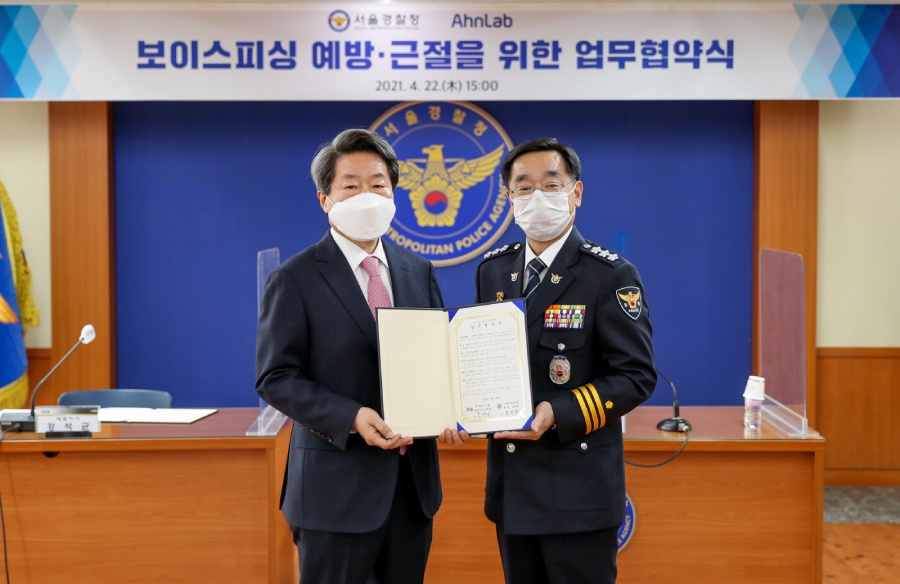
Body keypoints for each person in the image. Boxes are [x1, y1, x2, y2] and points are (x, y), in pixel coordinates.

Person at [256, 128, 467, 584]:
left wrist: (455, 409)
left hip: (411, 490)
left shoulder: (417, 269)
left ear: (394, 194)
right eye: (350, 185)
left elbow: (435, 357)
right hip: (334, 492)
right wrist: (351, 417)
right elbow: (276, 377)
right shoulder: (294, 278)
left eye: (377, 184)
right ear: (325, 199)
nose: (366, 196)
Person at [475, 137, 657, 584]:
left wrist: (558, 411)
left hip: (579, 491)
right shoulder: (493, 270)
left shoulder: (610, 275)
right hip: (512, 488)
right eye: (524, 187)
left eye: (551, 185)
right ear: (509, 198)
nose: (537, 197)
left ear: (576, 193)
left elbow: (635, 376)